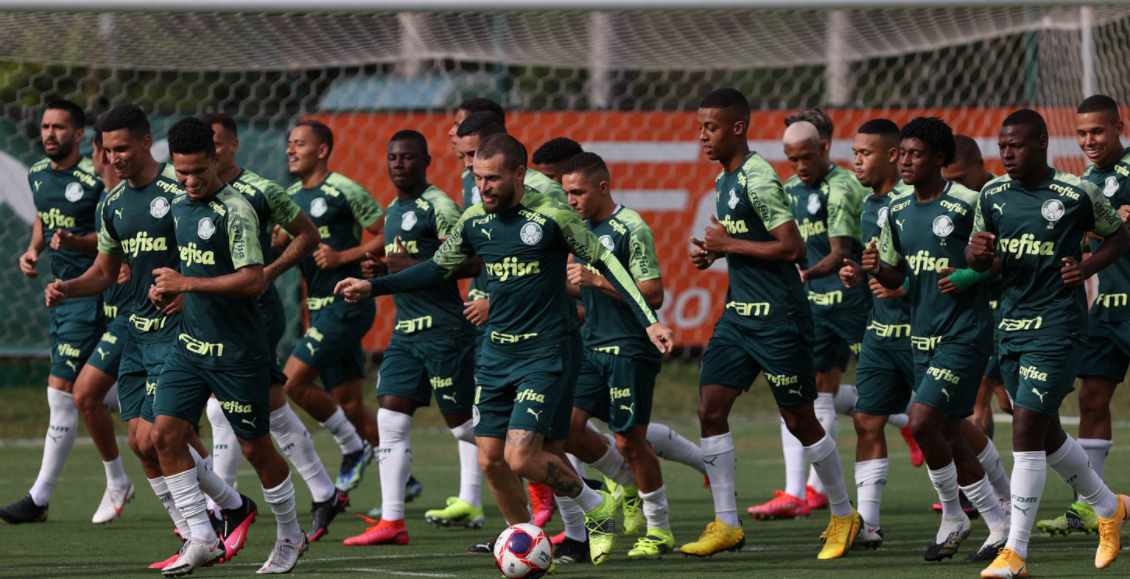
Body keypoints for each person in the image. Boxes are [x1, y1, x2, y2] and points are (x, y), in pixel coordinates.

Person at [335, 133, 674, 566]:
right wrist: (373, 286)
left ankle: (596, 506)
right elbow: (438, 269)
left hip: (545, 352)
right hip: (496, 354)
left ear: (518, 174)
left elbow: (607, 264)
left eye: (493, 179)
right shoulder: (475, 219)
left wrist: (650, 320)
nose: (484, 187)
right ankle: (530, 543)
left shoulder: (552, 216)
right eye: (478, 178)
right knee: (492, 461)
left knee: (520, 456)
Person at [44, 105, 253, 570]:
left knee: (164, 435)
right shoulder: (111, 203)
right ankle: (230, 507)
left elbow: (209, 251)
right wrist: (68, 288)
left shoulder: (179, 189)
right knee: (141, 442)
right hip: (135, 333)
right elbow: (103, 271)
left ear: (144, 142)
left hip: (180, 333)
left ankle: (201, 533)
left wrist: (190, 291)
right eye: (107, 150)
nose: (114, 157)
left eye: (122, 147)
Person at [678, 89, 857, 560]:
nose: (702, 136)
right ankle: (727, 524)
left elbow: (792, 248)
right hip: (739, 315)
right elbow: (741, 243)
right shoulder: (725, 177)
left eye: (710, 127)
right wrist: (715, 250)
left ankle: (843, 513)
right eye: (700, 127)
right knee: (710, 408)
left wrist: (729, 244)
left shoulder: (758, 178)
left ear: (738, 128)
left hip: (780, 318)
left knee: (800, 419)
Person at [968, 109, 1130, 578]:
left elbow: (1118, 238)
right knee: (1047, 432)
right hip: (1011, 326)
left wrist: (1089, 266)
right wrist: (975, 256)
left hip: (1059, 326)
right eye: (1002, 146)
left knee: (1024, 431)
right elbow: (978, 259)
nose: (1007, 154)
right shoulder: (992, 195)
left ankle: (1015, 552)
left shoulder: (1075, 192)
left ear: (1041, 143)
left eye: (1015, 145)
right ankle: (1108, 506)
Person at [858, 116, 1009, 562]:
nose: (905, 162)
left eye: (915, 154)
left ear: (940, 159)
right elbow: (895, 272)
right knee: (947, 431)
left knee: (921, 421)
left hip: (965, 333)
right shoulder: (898, 210)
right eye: (902, 154)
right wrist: (874, 268)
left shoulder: (968, 202)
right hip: (921, 336)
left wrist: (966, 274)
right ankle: (996, 524)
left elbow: (997, 259)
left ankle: (954, 514)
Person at [198, 113, 348, 542]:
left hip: (254, 314)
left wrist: (269, 271)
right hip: (213, 314)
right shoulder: (192, 190)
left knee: (218, 406)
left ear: (233, 146)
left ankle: (221, 509)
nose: (211, 155)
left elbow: (309, 235)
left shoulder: (261, 190)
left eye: (218, 146)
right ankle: (324, 492)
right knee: (273, 407)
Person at [344, 130, 484, 546]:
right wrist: (384, 272)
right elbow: (403, 268)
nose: (398, 164)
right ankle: (393, 521)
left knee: (464, 431)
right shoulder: (390, 210)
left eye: (407, 157)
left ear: (425, 161)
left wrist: (414, 262)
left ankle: (538, 459)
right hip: (405, 333)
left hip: (444, 331)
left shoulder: (439, 205)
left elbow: (474, 260)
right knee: (389, 419)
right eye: (392, 157)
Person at [559, 152, 673, 561]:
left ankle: (659, 529)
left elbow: (654, 293)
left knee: (630, 440)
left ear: (603, 188)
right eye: (566, 192)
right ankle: (622, 482)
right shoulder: (579, 229)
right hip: (591, 348)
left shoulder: (631, 227)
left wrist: (596, 279)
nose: (571, 200)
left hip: (629, 349)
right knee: (565, 427)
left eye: (578, 192)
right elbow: (585, 289)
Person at [2, 100, 108, 525]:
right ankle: (117, 476)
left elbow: (111, 236)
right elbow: (45, 220)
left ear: (79, 135)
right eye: (45, 126)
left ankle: (40, 497)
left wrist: (78, 243)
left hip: (94, 293)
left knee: (60, 393)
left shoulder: (96, 178)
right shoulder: (36, 173)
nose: (49, 134)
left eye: (59, 128)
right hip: (59, 297)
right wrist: (33, 250)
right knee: (90, 394)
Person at [1035, 95, 1130, 538]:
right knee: (1091, 398)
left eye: (1098, 131)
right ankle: (1089, 506)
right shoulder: (1089, 179)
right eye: (1082, 133)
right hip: (1108, 306)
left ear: (1119, 127)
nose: (1089, 140)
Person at [277, 119, 384, 492]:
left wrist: (344, 257)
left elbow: (388, 234)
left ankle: (353, 450)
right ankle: (399, 474)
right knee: (350, 404)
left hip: (347, 305)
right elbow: (279, 242)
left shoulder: (344, 189)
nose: (291, 149)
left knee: (291, 381)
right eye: (289, 143)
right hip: (319, 309)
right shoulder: (289, 196)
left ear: (322, 150)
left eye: (299, 143)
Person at [837, 118, 918, 548]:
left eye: (864, 153)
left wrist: (905, 284)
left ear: (892, 155)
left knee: (947, 426)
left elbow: (932, 265)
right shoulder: (869, 205)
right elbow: (882, 267)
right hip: (881, 331)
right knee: (867, 420)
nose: (856, 161)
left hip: (923, 333)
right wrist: (857, 273)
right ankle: (867, 524)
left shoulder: (914, 200)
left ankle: (994, 493)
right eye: (854, 153)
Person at [944, 134, 1011, 440]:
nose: (956, 187)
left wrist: (970, 275)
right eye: (949, 180)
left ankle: (979, 486)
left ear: (981, 165)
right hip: (965, 311)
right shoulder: (948, 202)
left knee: (978, 398)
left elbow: (1013, 254)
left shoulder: (1002, 196)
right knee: (1002, 402)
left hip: (1007, 308)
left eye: (960, 178)